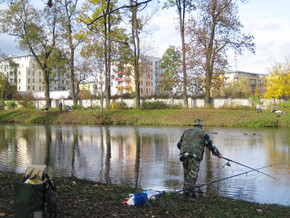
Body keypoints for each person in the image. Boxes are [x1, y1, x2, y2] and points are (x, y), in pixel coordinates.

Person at [177, 119, 222, 202]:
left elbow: (179, 145)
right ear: (201, 126)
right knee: (192, 175)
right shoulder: (203, 133)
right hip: (194, 156)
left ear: (194, 125)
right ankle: (186, 195)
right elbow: (210, 145)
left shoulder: (186, 132)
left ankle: (191, 192)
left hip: (183, 155)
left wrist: (185, 149)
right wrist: (218, 154)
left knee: (187, 174)